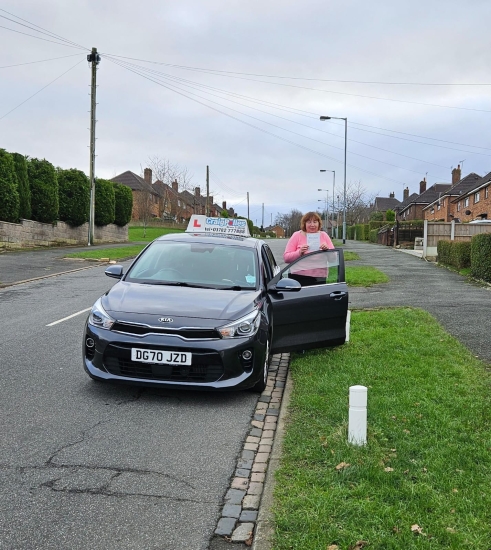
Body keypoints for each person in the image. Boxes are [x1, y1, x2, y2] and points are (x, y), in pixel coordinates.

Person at [283, 212, 335, 286]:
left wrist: (327, 250)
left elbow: (333, 259)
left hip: (319, 277)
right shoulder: (296, 235)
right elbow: (286, 258)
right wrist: (299, 252)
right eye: (309, 222)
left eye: (315, 222)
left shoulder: (324, 235)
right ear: (304, 224)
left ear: (319, 223)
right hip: (298, 276)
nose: (312, 225)